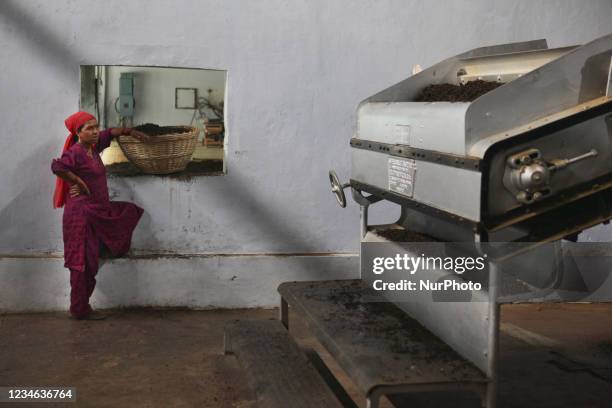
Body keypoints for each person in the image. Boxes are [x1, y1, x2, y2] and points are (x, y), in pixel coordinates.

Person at [51, 111, 149, 320]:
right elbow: (57, 166)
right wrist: (78, 182)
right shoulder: (76, 152)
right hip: (81, 215)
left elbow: (110, 133)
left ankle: (103, 249)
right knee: (82, 263)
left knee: (128, 212)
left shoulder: (93, 147)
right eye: (89, 128)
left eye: (96, 126)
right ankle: (79, 309)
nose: (95, 131)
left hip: (97, 210)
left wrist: (131, 132)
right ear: (78, 133)